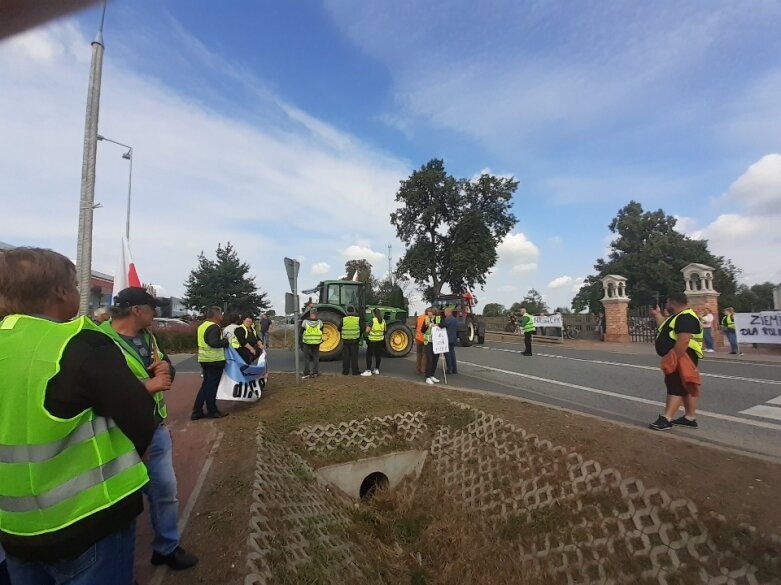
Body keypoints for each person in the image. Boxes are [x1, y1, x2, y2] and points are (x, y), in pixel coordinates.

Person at [0, 247, 156, 585]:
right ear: (59, 291)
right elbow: (140, 414)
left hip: (14, 528)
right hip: (90, 522)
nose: (77, 291)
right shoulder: (77, 342)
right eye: (73, 283)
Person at [100, 287, 198, 571]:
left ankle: (166, 548)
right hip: (119, 435)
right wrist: (145, 386)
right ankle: (120, 568)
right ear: (137, 311)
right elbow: (101, 392)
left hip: (155, 429)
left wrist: (166, 369)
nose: (156, 312)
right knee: (122, 504)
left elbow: (164, 367)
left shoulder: (148, 337)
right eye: (152, 307)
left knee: (165, 490)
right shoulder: (99, 341)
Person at [649, 292, 704, 431]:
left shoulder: (686, 317)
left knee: (675, 386)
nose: (666, 305)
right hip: (683, 356)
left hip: (683, 356)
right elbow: (665, 329)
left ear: (672, 303)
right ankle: (689, 417)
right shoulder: (677, 317)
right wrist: (657, 315)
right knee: (686, 385)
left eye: (667, 303)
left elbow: (684, 340)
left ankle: (666, 419)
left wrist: (672, 357)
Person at [192, 306, 230, 420]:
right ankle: (212, 411)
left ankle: (197, 411)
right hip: (214, 361)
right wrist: (225, 342)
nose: (222, 316)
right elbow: (214, 342)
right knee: (212, 387)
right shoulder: (214, 327)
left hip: (204, 360)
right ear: (216, 316)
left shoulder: (202, 326)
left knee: (206, 386)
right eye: (221, 314)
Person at [362, 308, 386, 376]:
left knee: (369, 355)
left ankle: (368, 370)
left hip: (372, 341)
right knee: (378, 355)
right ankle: (376, 369)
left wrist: (367, 327)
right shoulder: (383, 321)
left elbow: (367, 330)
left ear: (373, 313)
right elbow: (385, 330)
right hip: (380, 340)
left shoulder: (372, 320)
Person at [301, 307, 323, 378]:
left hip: (307, 342)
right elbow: (322, 331)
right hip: (316, 342)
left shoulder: (305, 322)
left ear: (310, 314)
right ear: (316, 314)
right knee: (316, 357)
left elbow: (301, 332)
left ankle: (306, 373)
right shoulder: (320, 322)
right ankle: (315, 373)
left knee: (306, 358)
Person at [340, 305, 362, 375]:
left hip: (346, 341)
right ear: (354, 311)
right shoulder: (357, 319)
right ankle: (355, 371)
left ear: (347, 312)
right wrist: (358, 333)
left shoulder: (344, 319)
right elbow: (363, 328)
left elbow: (338, 328)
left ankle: (345, 371)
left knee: (346, 356)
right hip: (355, 341)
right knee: (354, 356)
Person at [423, 307, 442, 385]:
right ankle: (427, 377)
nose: (428, 313)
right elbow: (422, 330)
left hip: (437, 342)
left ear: (433, 312)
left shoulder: (439, 319)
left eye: (429, 312)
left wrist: (437, 326)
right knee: (429, 359)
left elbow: (444, 327)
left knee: (435, 359)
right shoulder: (426, 319)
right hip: (429, 342)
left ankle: (432, 375)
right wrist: (428, 326)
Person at [443, 307, 458, 374]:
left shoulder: (446, 320)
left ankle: (450, 369)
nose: (444, 313)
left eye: (445, 312)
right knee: (452, 353)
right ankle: (455, 369)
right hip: (453, 338)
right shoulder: (455, 319)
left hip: (447, 339)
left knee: (447, 354)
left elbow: (442, 327)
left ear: (448, 312)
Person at [415, 310, 428, 376]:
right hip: (425, 338)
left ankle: (418, 369)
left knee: (419, 354)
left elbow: (416, 326)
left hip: (418, 337)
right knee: (424, 355)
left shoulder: (419, 317)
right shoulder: (428, 318)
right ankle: (423, 369)